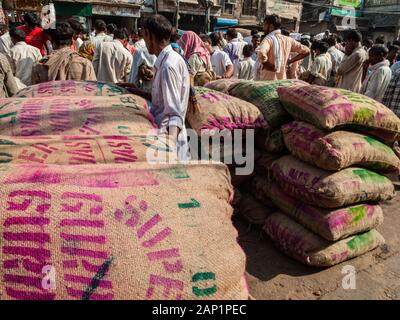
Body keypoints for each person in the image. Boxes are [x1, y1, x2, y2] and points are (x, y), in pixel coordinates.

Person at [126, 15, 191, 161]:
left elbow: (174, 114)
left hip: (167, 140)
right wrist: (137, 91)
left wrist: (168, 148)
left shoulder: (169, 65)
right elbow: (162, 101)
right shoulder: (166, 60)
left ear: (149, 35)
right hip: (162, 137)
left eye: (143, 36)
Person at [32, 22, 96, 83]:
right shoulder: (85, 64)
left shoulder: (40, 65)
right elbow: (93, 90)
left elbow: (34, 91)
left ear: (51, 41)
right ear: (71, 40)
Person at [255, 15, 310, 81]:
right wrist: (289, 62)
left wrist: (267, 64)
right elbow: (307, 51)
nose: (263, 28)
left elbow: (261, 52)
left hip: (266, 82)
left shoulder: (268, 39)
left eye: (265, 25)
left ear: (271, 26)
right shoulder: (288, 40)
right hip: (281, 82)